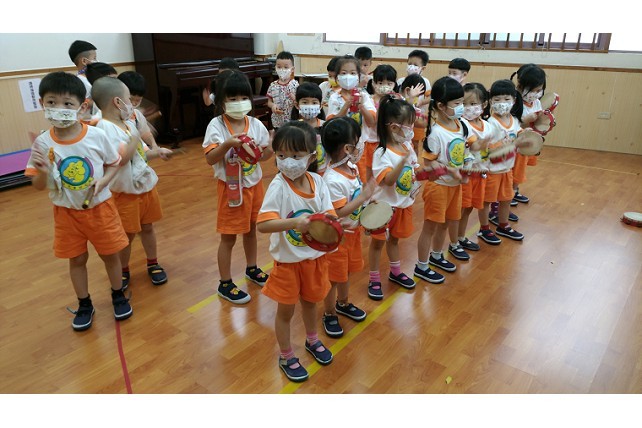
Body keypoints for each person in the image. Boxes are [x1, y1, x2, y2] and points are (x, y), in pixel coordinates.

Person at [24, 71, 133, 331]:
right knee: (76, 260)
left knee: (110, 256)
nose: (58, 108)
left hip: (100, 209)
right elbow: (38, 186)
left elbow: (114, 164)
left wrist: (104, 181)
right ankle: (84, 304)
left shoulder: (96, 136)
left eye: (67, 103)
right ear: (42, 104)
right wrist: (42, 171)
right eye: (51, 102)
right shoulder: (42, 143)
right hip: (66, 214)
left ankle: (118, 294)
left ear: (82, 106)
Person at [256, 121, 335, 382]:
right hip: (288, 264)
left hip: (314, 260)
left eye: (296, 155)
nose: (288, 162)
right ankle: (286, 355)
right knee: (286, 312)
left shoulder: (318, 182)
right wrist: (294, 223)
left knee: (311, 303)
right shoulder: (278, 186)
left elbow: (329, 214)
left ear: (311, 157)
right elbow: (263, 224)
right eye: (281, 156)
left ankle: (312, 340)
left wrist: (335, 224)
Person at [93, 77, 173, 290]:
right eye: (129, 99)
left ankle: (153, 263)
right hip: (125, 194)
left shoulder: (128, 124)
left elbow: (140, 154)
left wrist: (158, 152)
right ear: (118, 102)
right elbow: (121, 159)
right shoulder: (104, 128)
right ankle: (124, 269)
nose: (132, 104)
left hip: (145, 187)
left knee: (148, 228)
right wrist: (136, 137)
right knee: (126, 236)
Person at [203, 70, 273, 304]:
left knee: (251, 230)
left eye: (243, 97)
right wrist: (227, 144)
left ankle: (252, 268)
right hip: (232, 190)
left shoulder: (255, 124)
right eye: (232, 98)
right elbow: (210, 158)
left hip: (254, 186)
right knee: (229, 237)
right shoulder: (216, 125)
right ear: (221, 101)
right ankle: (225, 283)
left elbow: (263, 156)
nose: (239, 102)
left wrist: (270, 147)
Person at [320, 117, 373, 337]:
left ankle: (343, 303)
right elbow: (339, 211)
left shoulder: (351, 167)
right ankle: (329, 313)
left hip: (353, 232)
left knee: (347, 272)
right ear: (347, 148)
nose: (361, 145)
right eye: (357, 141)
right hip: (337, 239)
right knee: (333, 277)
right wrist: (364, 197)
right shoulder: (332, 179)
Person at [415, 77, 471, 284]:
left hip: (454, 187)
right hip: (438, 187)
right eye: (457, 103)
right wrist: (450, 171)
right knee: (430, 227)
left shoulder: (461, 125)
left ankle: (436, 256)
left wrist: (468, 164)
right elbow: (428, 165)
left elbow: (464, 151)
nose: (461, 107)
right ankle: (421, 266)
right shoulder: (436, 133)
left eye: (462, 102)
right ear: (441, 106)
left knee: (446, 223)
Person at [368, 96, 419, 300]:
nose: (411, 129)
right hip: (384, 209)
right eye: (409, 125)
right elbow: (388, 181)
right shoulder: (381, 153)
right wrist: (403, 162)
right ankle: (374, 279)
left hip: (403, 205)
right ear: (393, 127)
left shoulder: (407, 147)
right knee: (377, 244)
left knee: (395, 240)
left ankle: (395, 272)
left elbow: (414, 169)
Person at [481, 79, 525, 241]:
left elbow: (518, 133)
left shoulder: (514, 120)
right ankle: (484, 229)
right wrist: (502, 146)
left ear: (513, 100)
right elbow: (485, 148)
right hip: (492, 171)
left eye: (506, 99)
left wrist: (524, 136)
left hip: (507, 169)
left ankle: (503, 225)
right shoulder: (490, 123)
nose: (502, 103)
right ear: (491, 101)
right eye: (497, 99)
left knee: (506, 199)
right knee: (486, 201)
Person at [326, 55, 377, 181]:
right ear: (337, 77)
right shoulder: (334, 98)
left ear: (358, 77)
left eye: (353, 73)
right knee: (341, 177)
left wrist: (361, 107)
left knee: (361, 178)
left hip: (360, 147)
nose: (348, 76)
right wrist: (346, 106)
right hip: (339, 148)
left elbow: (371, 122)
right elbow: (331, 124)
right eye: (344, 73)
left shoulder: (364, 96)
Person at [459, 82, 495, 247]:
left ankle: (460, 238)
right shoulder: (462, 124)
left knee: (469, 208)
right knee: (462, 208)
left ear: (484, 104)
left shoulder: (487, 126)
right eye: (463, 103)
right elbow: (473, 146)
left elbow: (489, 149)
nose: (468, 108)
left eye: (473, 103)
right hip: (465, 174)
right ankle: (457, 240)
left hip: (480, 173)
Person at [510, 63, 548, 205]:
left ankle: (515, 190)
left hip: (527, 143)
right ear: (520, 85)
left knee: (520, 169)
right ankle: (508, 193)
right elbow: (509, 126)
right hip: (514, 144)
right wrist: (525, 121)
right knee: (512, 170)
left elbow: (537, 122)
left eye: (539, 90)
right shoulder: (513, 101)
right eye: (534, 90)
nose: (537, 94)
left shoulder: (536, 102)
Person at [359, 64, 398, 183]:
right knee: (369, 174)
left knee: (387, 171)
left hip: (389, 142)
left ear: (394, 84)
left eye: (389, 83)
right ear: (373, 83)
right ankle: (369, 193)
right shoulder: (368, 100)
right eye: (380, 83)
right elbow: (371, 122)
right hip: (371, 142)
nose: (384, 86)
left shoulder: (396, 101)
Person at [118, 71, 167, 154]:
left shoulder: (136, 115)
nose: (134, 103)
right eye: (130, 99)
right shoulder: (111, 116)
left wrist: (155, 147)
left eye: (138, 100)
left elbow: (145, 133)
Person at [290, 82, 327, 174]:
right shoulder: (292, 128)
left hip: (323, 173)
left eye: (314, 102)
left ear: (320, 105)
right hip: (301, 173)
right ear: (297, 105)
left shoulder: (326, 127)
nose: (310, 106)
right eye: (305, 102)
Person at [267, 51, 299, 130]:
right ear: (275, 68)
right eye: (279, 67)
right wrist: (273, 105)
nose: (282, 70)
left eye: (286, 67)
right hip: (277, 120)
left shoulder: (295, 85)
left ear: (292, 69)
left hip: (292, 120)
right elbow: (269, 101)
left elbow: (299, 102)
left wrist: (294, 98)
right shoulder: (273, 85)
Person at [399, 73, 428, 153]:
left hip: (407, 142)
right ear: (407, 90)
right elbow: (404, 116)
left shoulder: (411, 104)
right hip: (399, 143)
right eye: (417, 96)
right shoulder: (397, 101)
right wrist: (411, 99)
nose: (417, 99)